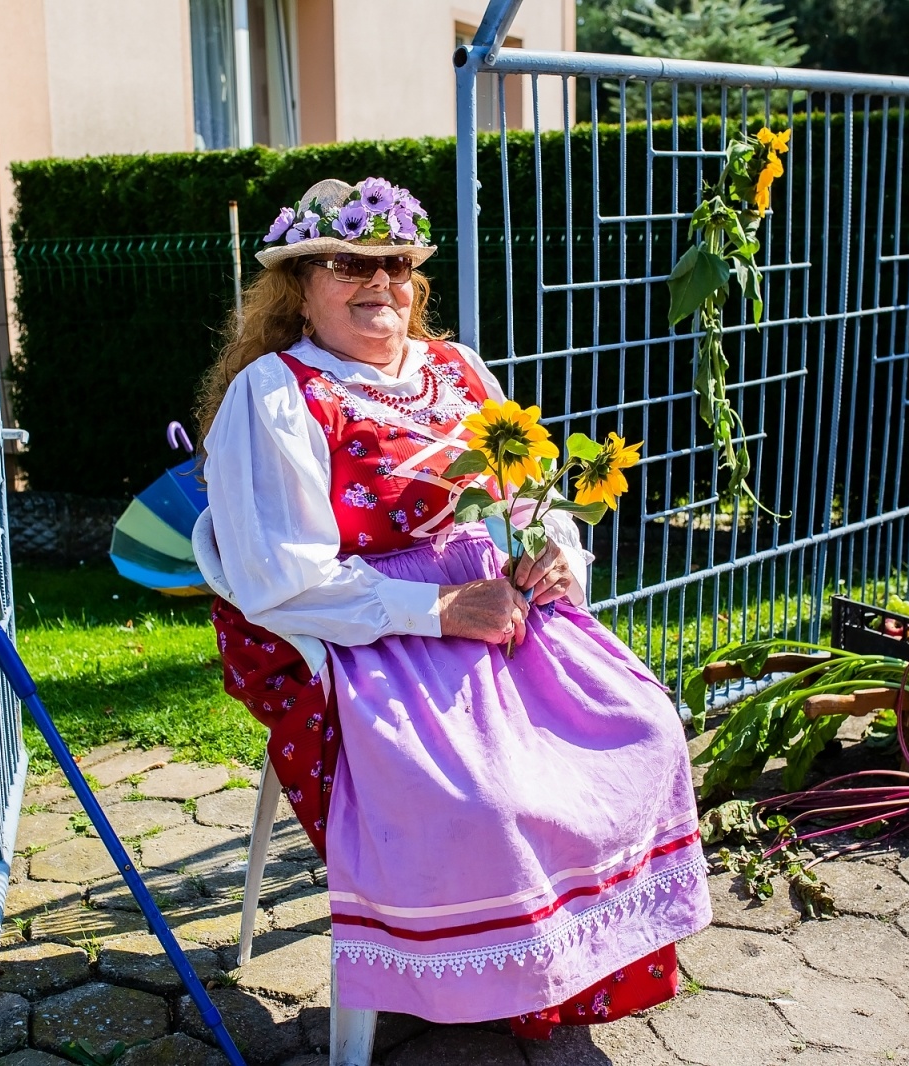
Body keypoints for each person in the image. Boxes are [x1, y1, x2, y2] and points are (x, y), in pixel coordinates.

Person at [197, 177, 711, 1036]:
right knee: (489, 801)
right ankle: (490, 977)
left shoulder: (457, 366)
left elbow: (525, 493)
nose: (377, 282)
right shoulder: (278, 395)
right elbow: (280, 580)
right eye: (344, 263)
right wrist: (439, 610)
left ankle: (570, 961)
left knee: (647, 725)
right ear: (299, 288)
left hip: (503, 609)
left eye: (394, 264)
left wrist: (554, 545)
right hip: (367, 635)